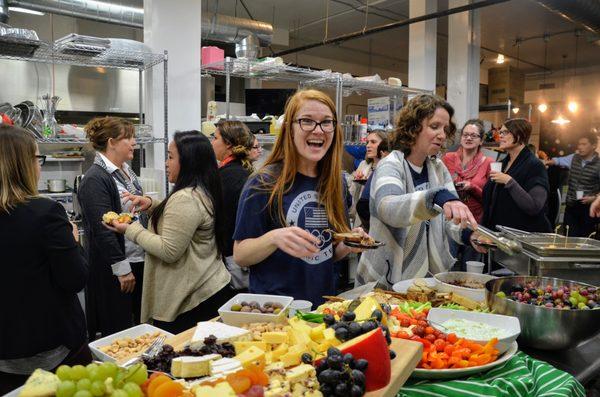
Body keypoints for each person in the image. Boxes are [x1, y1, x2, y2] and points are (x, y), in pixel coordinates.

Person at [232, 89, 365, 307]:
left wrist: (349, 245)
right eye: (307, 121)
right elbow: (240, 255)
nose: (318, 130)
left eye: (326, 122)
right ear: (289, 129)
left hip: (322, 309)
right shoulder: (263, 183)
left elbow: (327, 253)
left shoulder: (336, 183)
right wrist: (274, 238)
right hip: (276, 312)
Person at [106, 132, 233, 334]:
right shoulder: (201, 189)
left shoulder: (185, 197)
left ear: (189, 162)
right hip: (208, 289)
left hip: (194, 299)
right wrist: (151, 204)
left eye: (171, 157)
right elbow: (184, 220)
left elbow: (169, 250)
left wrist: (131, 229)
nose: (166, 163)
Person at [0, 125, 90, 393]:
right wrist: (73, 242)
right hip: (52, 351)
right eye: (37, 158)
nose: (39, 166)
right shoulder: (46, 213)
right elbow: (75, 278)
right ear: (23, 165)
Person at [356, 94, 479, 287]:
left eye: (445, 129)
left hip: (425, 280)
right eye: (434, 126)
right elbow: (388, 207)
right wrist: (436, 197)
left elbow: (450, 219)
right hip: (384, 278)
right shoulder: (391, 164)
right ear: (413, 127)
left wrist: (469, 235)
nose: (442, 135)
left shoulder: (438, 168)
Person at [78, 117, 145, 338]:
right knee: (118, 331)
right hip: (115, 269)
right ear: (111, 142)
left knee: (135, 327)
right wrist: (121, 268)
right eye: (128, 137)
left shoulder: (126, 170)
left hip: (135, 257)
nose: (134, 142)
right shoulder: (95, 179)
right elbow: (103, 227)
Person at [481, 118, 551, 233]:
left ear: (520, 135)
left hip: (523, 238)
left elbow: (534, 207)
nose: (500, 136)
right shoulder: (503, 163)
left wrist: (509, 181)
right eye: (500, 132)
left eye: (505, 132)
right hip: (500, 235)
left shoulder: (535, 165)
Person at [442, 120, 493, 270]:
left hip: (475, 222)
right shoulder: (448, 158)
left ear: (481, 140)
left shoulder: (488, 162)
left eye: (473, 135)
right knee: (447, 265)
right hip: (452, 220)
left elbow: (489, 199)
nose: (468, 138)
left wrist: (473, 187)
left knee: (470, 268)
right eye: (465, 135)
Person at [212, 121, 253, 291]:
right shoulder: (246, 172)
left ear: (228, 144)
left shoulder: (225, 178)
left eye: (215, 138)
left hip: (231, 260)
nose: (212, 142)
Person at [544, 134, 600, 237]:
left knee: (585, 239)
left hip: (588, 209)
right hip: (571, 206)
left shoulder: (598, 164)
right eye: (579, 144)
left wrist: (594, 198)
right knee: (569, 237)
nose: (580, 147)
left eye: (584, 144)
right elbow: (557, 161)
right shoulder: (574, 158)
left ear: (594, 145)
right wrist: (544, 162)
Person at [354, 130, 391, 231]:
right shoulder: (363, 165)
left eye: (373, 142)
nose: (368, 146)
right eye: (367, 142)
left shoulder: (389, 167)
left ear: (383, 145)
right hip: (361, 222)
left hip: (380, 223)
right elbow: (355, 198)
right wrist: (356, 181)